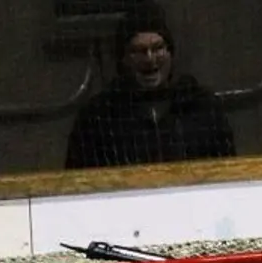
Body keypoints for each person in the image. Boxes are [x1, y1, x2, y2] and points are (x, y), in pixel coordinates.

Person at [64, 2, 235, 170]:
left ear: (170, 52)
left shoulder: (203, 107)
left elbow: (229, 173)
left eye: (158, 48)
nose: (150, 59)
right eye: (138, 51)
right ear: (123, 59)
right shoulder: (96, 118)